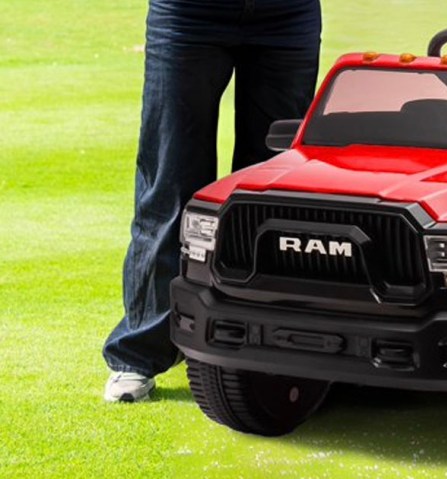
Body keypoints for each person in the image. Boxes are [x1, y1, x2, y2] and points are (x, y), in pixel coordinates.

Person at [103, 0, 322, 402]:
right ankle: (139, 353)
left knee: (271, 193)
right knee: (171, 181)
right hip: (188, 14)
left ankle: (258, 343)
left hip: (287, 15)